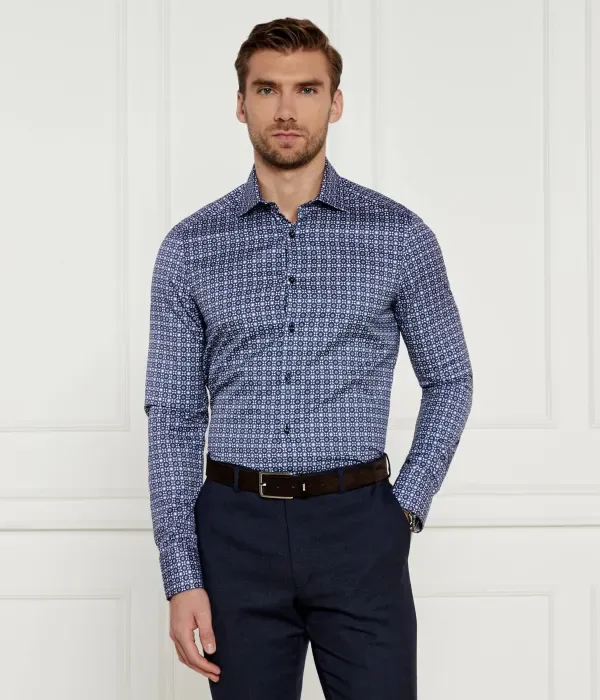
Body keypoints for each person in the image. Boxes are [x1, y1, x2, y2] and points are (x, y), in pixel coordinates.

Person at [144, 16, 473, 700]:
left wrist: (404, 510)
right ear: (241, 104)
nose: (286, 110)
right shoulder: (190, 248)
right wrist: (182, 576)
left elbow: (450, 378)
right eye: (267, 89)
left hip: (359, 529)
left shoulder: (398, 237)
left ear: (336, 102)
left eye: (307, 89)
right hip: (235, 535)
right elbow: (173, 417)